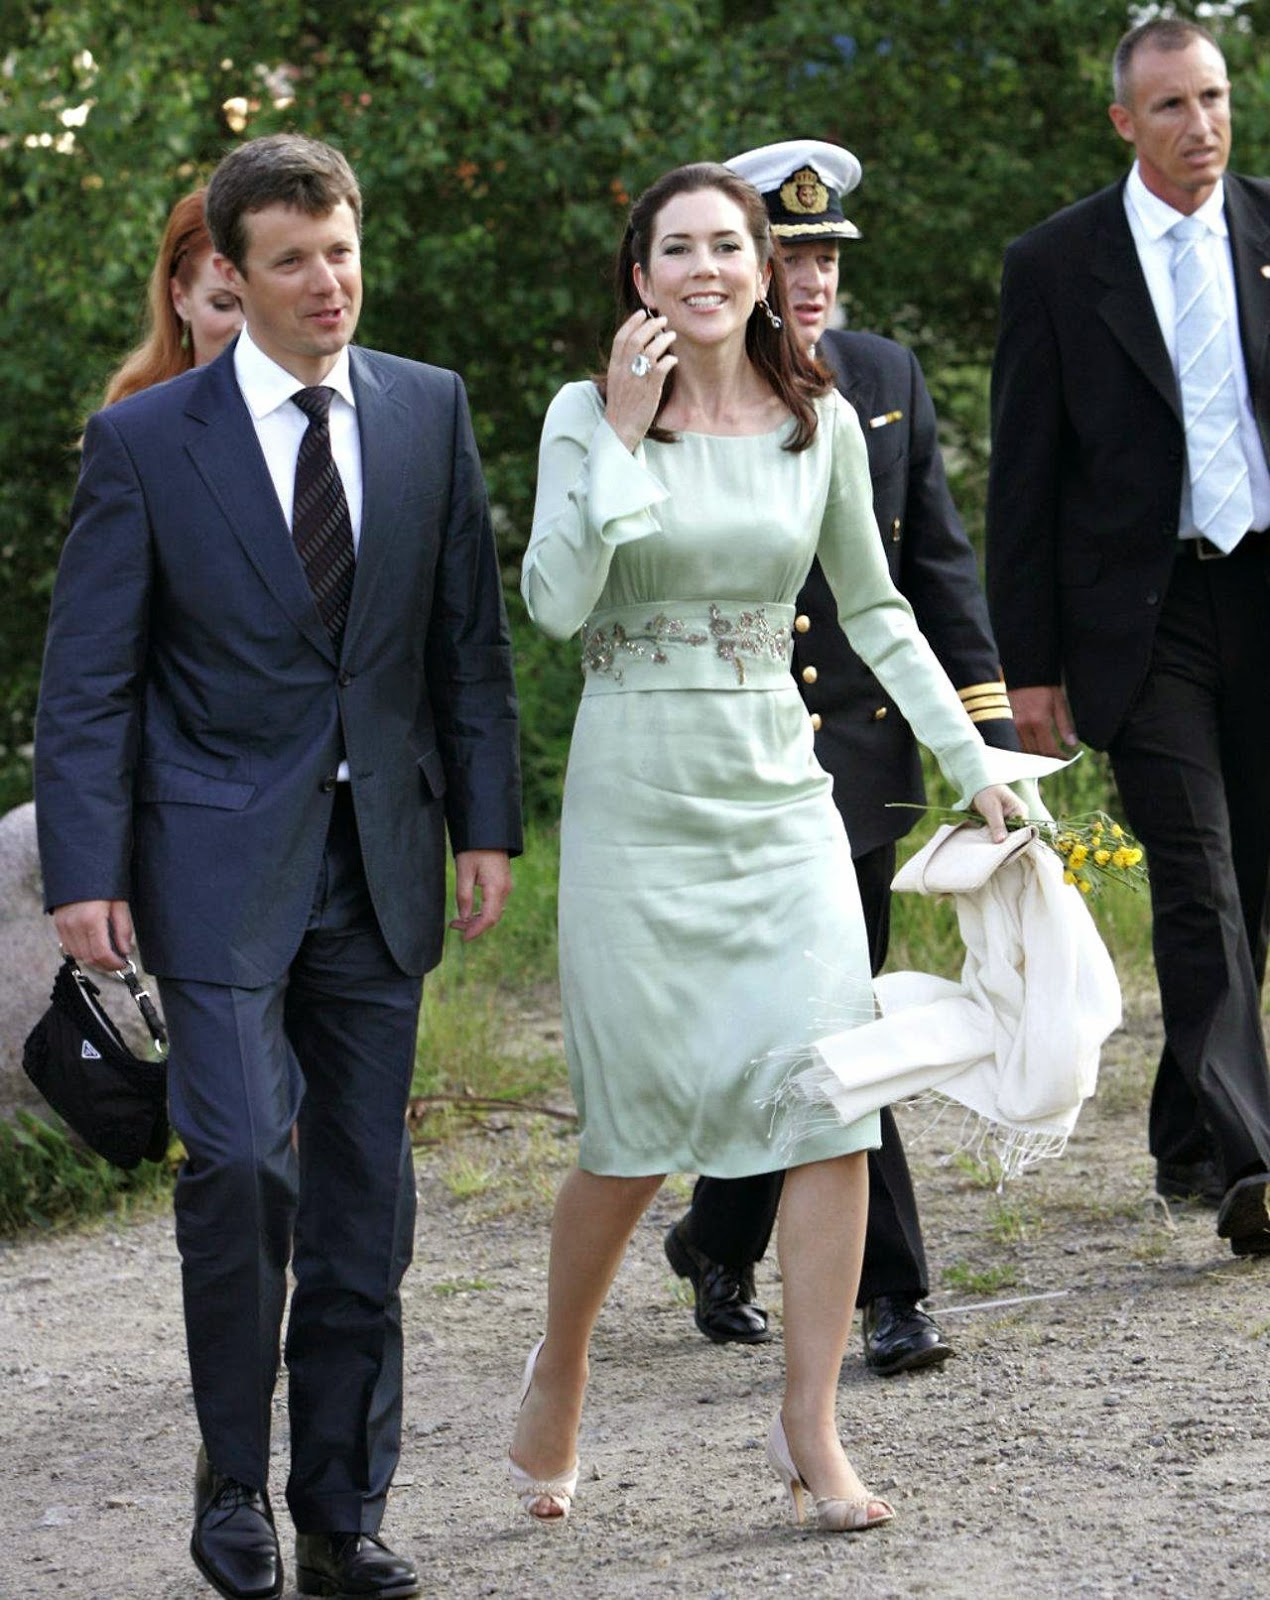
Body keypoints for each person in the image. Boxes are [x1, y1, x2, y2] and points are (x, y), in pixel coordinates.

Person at [512, 160, 1035, 1533]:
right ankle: (559, 1363)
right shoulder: (582, 413)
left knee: (830, 1104)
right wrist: (622, 438)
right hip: (635, 794)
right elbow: (555, 606)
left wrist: (973, 762)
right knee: (632, 1128)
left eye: (726, 246)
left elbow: (878, 610)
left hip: (778, 796)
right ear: (640, 277)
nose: (705, 268)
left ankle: (809, 1423)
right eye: (676, 248)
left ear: (760, 271)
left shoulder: (821, 421)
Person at [35, 133, 522, 1600]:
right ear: (231, 281)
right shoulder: (147, 442)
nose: (329, 283)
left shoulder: (427, 409)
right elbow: (90, 678)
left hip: (381, 859)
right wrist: (83, 867)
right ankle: (233, 1482)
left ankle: (340, 1515)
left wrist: (484, 822)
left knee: (368, 1200)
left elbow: (466, 643)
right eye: (294, 260)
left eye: (342, 252)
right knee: (246, 1166)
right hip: (212, 860)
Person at [663, 139, 1022, 1377]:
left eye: (825, 257)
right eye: (789, 256)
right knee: (832, 1018)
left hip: (861, 758)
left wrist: (985, 743)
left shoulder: (882, 376)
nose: (811, 280)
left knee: (826, 1014)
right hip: (745, 757)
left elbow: (933, 569)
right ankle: (891, 1292)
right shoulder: (681, 387)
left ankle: (718, 1234)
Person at [986, 17, 1270, 1257]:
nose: (1199, 126)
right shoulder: (1058, 263)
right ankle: (1254, 1164)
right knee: (1197, 877)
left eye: (1212, 97)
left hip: (1264, 589)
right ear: (1122, 121)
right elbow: (1023, 477)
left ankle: (1185, 1130)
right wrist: (1027, 667)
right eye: (1169, 106)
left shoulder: (1265, 229)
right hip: (1142, 621)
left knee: (1249, 885)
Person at [103, 188, 242, 404]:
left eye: (262, 303)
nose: (245, 325)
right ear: (179, 299)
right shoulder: (139, 414)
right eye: (223, 304)